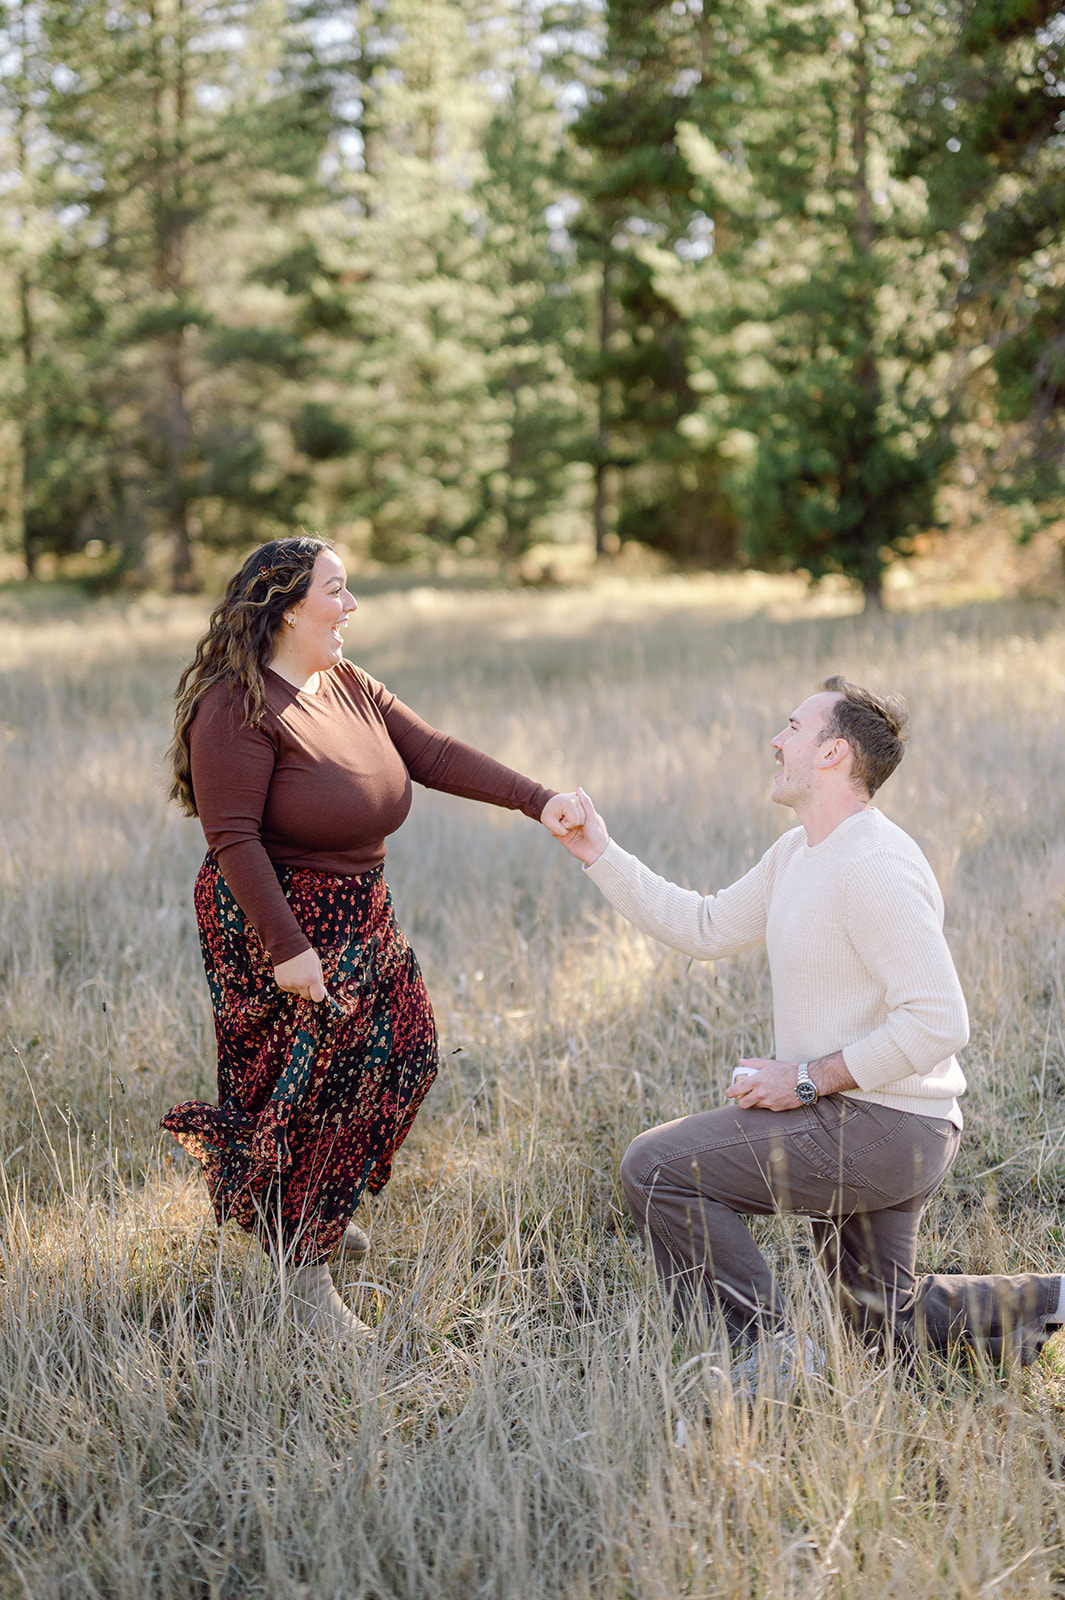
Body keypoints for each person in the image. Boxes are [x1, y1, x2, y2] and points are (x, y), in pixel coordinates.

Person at [552, 676, 1064, 1379]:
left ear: (833, 754)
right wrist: (598, 853)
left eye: (792, 727)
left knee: (658, 1168)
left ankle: (766, 1353)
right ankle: (1048, 1299)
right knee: (879, 1328)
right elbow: (704, 927)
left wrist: (803, 1079)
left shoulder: (874, 864)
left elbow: (939, 1020)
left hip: (887, 1126)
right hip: (867, 1118)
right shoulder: (798, 853)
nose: (775, 739)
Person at [162, 535, 581, 1344]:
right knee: (317, 1091)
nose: (350, 606)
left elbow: (431, 752)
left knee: (410, 1053)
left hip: (361, 910)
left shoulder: (345, 683)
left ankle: (300, 1212)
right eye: (337, 590)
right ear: (286, 607)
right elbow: (234, 841)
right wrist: (288, 950)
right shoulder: (236, 706)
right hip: (278, 919)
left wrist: (540, 800)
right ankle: (306, 1269)